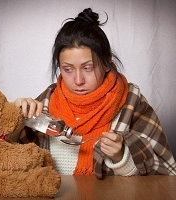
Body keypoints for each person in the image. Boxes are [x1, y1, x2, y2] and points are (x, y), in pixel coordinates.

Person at [14, 8, 176, 178]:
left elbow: (166, 175)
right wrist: (14, 119)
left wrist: (122, 157)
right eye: (67, 69)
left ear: (106, 64)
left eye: (88, 68)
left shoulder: (132, 103)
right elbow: (2, 159)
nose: (78, 80)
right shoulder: (47, 100)